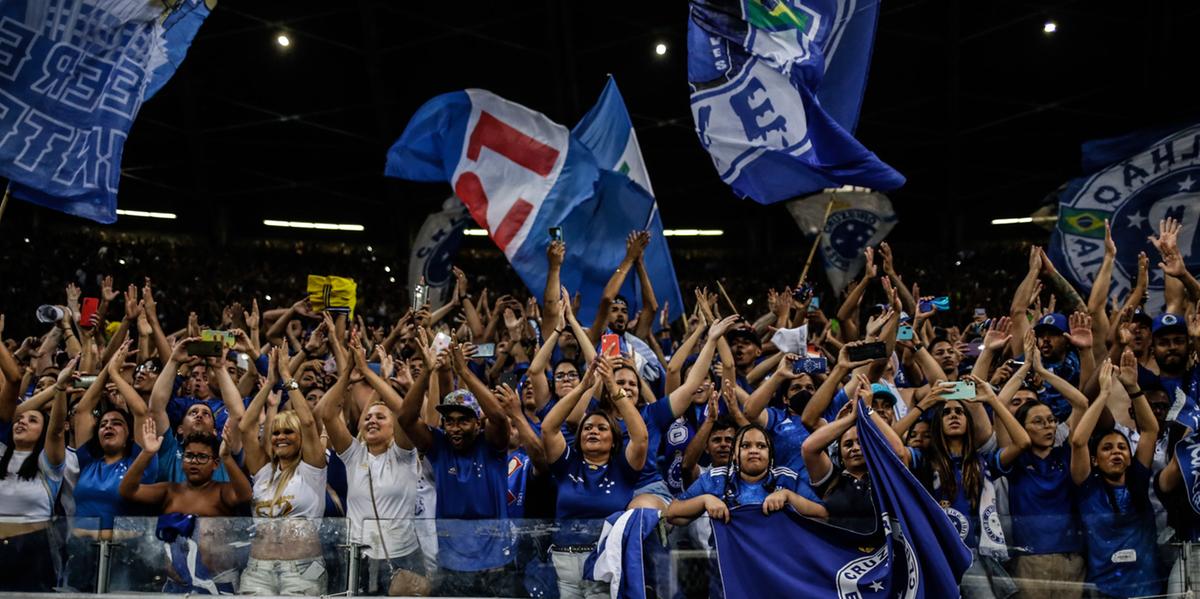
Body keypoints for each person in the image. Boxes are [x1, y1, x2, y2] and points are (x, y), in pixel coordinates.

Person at [396, 341, 513, 597]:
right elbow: (405, 418)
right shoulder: (439, 446)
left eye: (463, 421)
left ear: (477, 422)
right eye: (449, 422)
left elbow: (499, 418)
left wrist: (464, 371)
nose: (455, 428)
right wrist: (427, 372)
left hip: (495, 564)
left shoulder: (492, 445)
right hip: (451, 563)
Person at [320, 332, 427, 596]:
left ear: (393, 428)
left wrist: (370, 373)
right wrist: (348, 374)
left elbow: (405, 413)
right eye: (367, 417)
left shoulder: (403, 454)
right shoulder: (353, 454)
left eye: (380, 417)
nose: (371, 421)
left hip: (404, 555)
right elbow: (327, 413)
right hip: (360, 555)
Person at [539, 357, 647, 599]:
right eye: (587, 428)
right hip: (563, 561)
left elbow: (640, 437)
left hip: (604, 560)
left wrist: (611, 384)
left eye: (601, 428)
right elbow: (548, 428)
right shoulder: (568, 464)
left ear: (614, 439)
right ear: (578, 438)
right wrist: (583, 386)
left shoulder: (623, 468)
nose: (593, 431)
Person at [119, 419, 252, 593]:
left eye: (202, 457)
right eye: (189, 456)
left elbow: (245, 494)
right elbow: (127, 490)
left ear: (215, 463)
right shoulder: (169, 490)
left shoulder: (221, 491)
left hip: (218, 582)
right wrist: (147, 452)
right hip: (176, 585)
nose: (194, 461)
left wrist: (226, 457)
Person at [238, 346, 329, 596]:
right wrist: (269, 384)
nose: (279, 437)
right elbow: (246, 426)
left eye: (288, 432)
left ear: (301, 438)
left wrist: (288, 377)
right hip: (258, 569)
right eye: (276, 432)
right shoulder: (264, 472)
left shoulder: (312, 469)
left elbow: (309, 422)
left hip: (303, 569)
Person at [1070, 360, 1161, 598]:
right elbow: (1079, 441)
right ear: (1095, 460)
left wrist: (1133, 388)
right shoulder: (1087, 488)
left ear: (1130, 458)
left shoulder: (1137, 481)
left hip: (1148, 588)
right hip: (1103, 591)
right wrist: (1104, 394)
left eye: (1122, 448)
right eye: (1107, 448)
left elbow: (1150, 431)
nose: (1116, 452)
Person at [802, 375, 912, 534]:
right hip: (843, 555)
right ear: (839, 452)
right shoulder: (831, 479)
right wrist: (850, 419)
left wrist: (869, 410)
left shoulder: (884, 475)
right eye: (848, 444)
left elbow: (900, 453)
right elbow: (809, 448)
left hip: (886, 554)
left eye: (861, 442)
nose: (854, 447)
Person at [0, 357, 72, 592]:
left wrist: (59, 388)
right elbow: (10, 412)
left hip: (34, 555)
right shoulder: (1, 454)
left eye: (33, 421)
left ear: (43, 431)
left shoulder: (47, 463)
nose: (22, 422)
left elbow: (57, 429)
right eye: (19, 420)